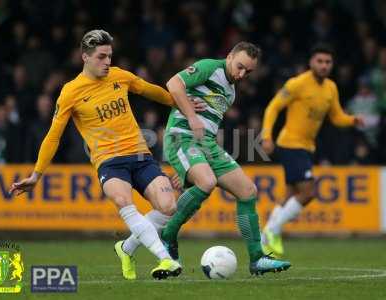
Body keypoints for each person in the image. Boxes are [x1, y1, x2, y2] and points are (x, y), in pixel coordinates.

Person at [9, 29, 204, 280]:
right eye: (101, 57)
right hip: (109, 162)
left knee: (169, 207)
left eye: (109, 56)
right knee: (124, 202)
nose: (107, 62)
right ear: (85, 57)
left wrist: (181, 103)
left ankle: (126, 248)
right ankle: (165, 259)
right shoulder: (71, 91)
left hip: (140, 156)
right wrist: (36, 175)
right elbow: (53, 135)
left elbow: (149, 90)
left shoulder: (119, 76)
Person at [155, 41, 291, 275]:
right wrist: (191, 115)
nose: (241, 74)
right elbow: (173, 84)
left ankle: (257, 259)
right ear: (229, 56)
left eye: (248, 71)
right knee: (206, 182)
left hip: (205, 143)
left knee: (248, 191)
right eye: (239, 66)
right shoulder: (209, 67)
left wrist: (187, 169)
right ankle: (168, 235)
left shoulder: (231, 91)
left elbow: (207, 121)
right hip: (182, 136)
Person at [261, 44, 364, 257]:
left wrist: (352, 119)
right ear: (311, 63)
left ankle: (266, 238)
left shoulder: (331, 88)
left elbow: (336, 117)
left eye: (328, 62)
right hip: (290, 143)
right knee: (309, 192)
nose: (324, 66)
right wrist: (266, 136)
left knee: (290, 193)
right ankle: (272, 230)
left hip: (307, 147)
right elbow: (273, 107)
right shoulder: (297, 84)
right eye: (320, 61)